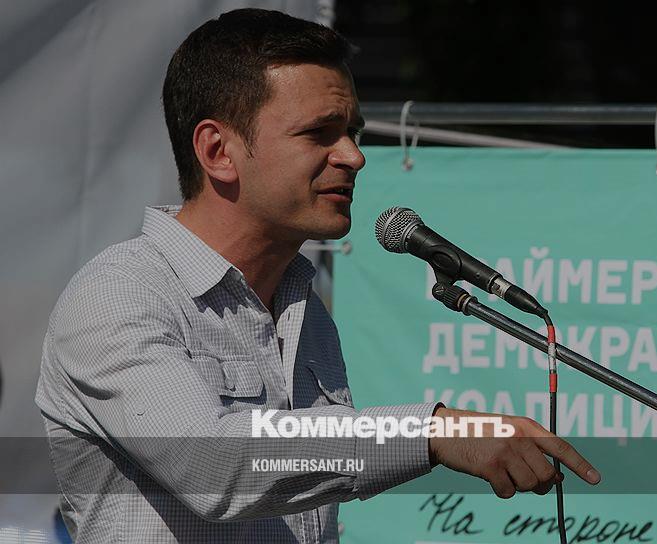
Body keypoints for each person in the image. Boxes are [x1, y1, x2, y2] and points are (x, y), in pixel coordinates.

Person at [34, 8, 599, 543]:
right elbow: (213, 466)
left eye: (351, 130)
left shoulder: (303, 308)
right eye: (319, 133)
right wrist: (432, 432)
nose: (353, 156)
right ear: (217, 151)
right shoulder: (120, 294)